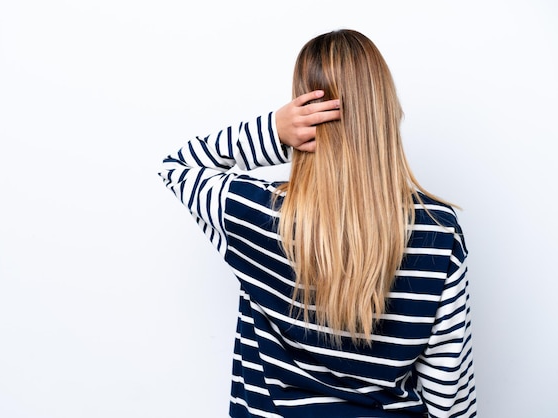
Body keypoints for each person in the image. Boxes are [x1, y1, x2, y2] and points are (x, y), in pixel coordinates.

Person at [158, 29, 476, 418]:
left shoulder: (255, 213)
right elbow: (449, 393)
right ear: (386, 109)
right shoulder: (437, 233)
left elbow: (178, 167)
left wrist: (273, 130)